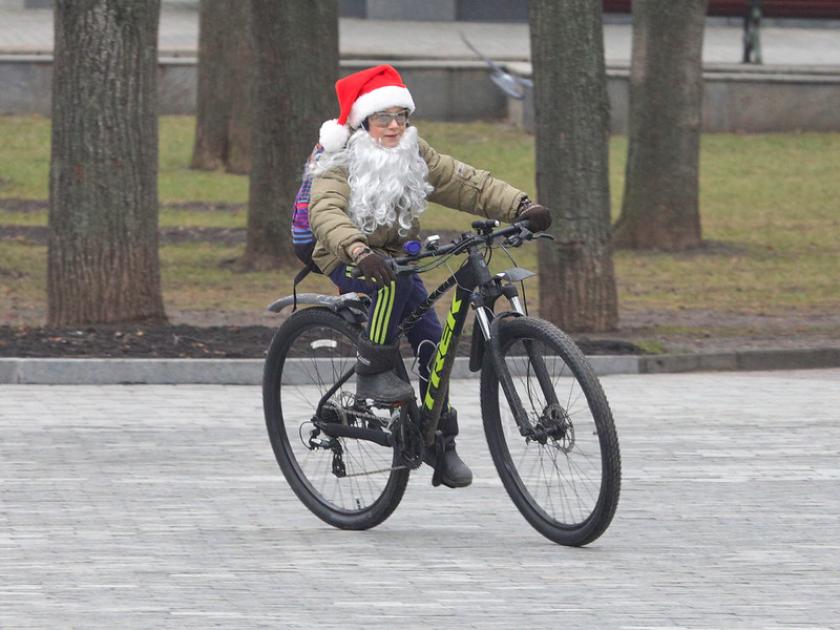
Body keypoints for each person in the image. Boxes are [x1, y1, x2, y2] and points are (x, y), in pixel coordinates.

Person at [307, 65, 551, 488]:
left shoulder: (413, 153)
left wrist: (521, 206)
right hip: (347, 256)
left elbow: (465, 182)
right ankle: (373, 368)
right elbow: (324, 211)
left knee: (433, 342)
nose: (395, 126)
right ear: (362, 122)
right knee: (395, 283)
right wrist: (359, 249)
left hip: (397, 258)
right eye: (383, 118)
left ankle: (440, 442)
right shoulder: (340, 160)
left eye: (401, 116)